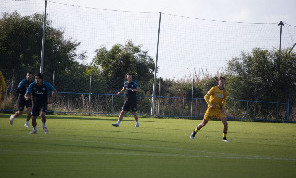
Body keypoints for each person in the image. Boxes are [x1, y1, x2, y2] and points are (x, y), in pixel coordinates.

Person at [190, 76, 229, 142]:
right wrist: (210, 104)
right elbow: (206, 96)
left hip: (219, 110)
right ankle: (194, 132)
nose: (222, 83)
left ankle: (224, 138)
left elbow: (224, 100)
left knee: (225, 123)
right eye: (221, 81)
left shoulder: (225, 92)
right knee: (203, 124)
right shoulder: (214, 89)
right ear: (218, 82)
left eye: (223, 81)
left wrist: (222, 107)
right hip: (211, 110)